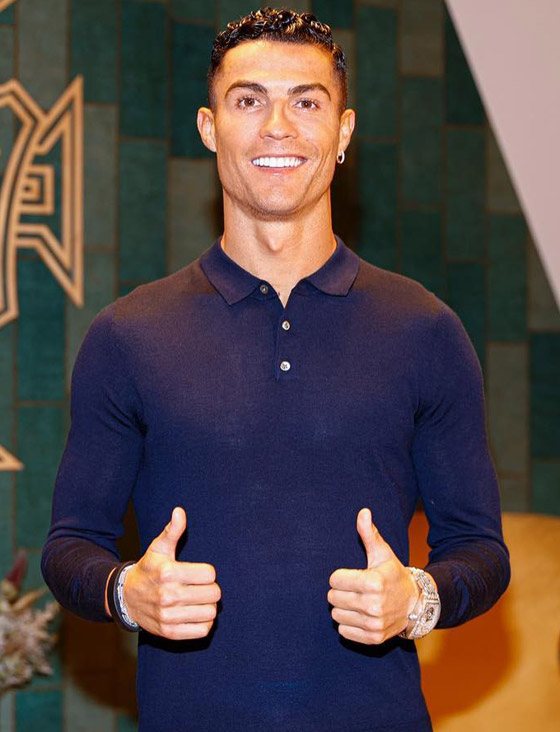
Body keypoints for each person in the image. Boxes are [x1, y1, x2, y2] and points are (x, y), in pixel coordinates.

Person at [41, 7, 510, 731]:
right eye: (249, 100)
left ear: (344, 133)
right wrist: (126, 593)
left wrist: (417, 600)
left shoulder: (425, 331)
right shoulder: (127, 335)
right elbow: (70, 546)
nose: (278, 127)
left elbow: (480, 550)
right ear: (209, 128)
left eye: (307, 103)